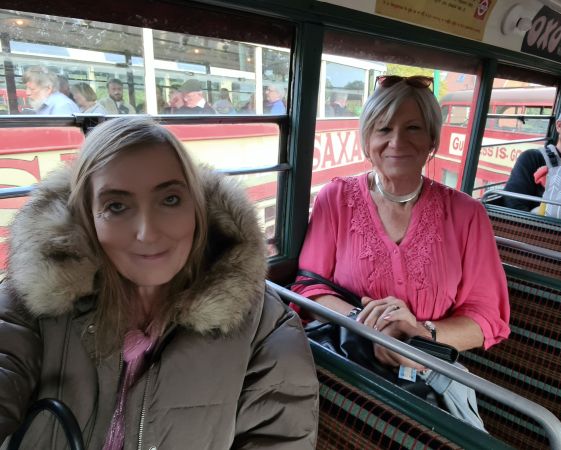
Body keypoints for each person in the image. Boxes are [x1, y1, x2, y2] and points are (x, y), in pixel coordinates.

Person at [0, 116, 319, 449]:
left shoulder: (264, 325)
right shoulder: (28, 301)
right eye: (116, 206)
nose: (147, 233)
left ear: (197, 207)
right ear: (86, 218)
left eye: (170, 200)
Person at [293, 75, 510, 423]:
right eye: (383, 129)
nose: (397, 141)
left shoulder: (468, 214)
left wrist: (419, 337)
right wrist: (368, 324)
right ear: (367, 139)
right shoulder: (335, 198)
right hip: (342, 370)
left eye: (413, 128)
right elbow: (309, 287)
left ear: (432, 139)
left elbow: (486, 318)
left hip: (425, 381)